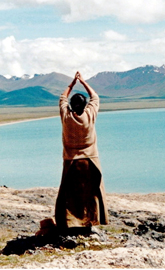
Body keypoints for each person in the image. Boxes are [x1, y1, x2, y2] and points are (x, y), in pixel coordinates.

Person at [55, 71, 109, 234]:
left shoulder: (66, 117)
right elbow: (95, 97)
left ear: (71, 105)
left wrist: (72, 84)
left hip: (71, 161)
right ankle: (90, 221)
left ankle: (71, 223)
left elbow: (62, 99)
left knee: (70, 194)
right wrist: (83, 82)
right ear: (85, 105)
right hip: (90, 160)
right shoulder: (89, 115)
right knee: (92, 192)